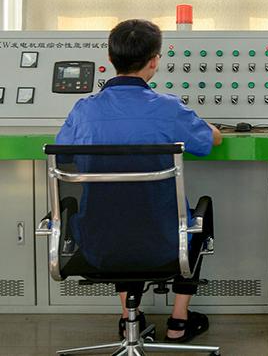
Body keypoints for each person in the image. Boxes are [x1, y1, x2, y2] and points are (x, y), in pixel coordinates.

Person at [56, 19, 223, 343]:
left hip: (98, 245)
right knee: (200, 212)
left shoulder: (84, 110)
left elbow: (63, 155)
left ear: (110, 58)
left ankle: (127, 318)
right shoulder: (168, 108)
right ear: (154, 60)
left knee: (115, 207)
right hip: (165, 243)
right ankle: (179, 321)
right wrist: (211, 127)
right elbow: (209, 141)